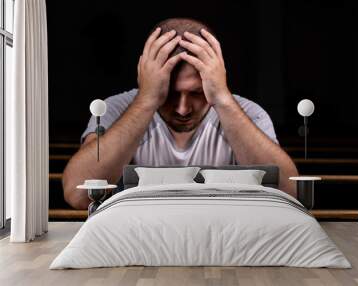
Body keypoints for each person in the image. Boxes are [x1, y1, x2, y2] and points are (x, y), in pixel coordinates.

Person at [63, 18, 299, 210]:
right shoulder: (115, 109)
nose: (183, 109)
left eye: (197, 93)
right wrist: (147, 99)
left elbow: (290, 192)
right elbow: (77, 194)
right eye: (170, 94)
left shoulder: (249, 113)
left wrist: (222, 99)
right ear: (146, 74)